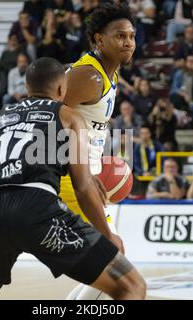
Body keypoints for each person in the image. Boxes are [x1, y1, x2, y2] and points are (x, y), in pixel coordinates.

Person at [0, 57, 146, 300]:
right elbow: (82, 187)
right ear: (62, 89)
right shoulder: (69, 116)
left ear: (27, 87)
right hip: (38, 209)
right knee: (131, 286)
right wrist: (107, 234)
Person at [60, 2, 138, 300]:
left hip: (84, 174)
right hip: (70, 180)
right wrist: (81, 172)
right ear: (98, 39)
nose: (128, 42)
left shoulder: (110, 73)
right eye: (120, 36)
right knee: (115, 262)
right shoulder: (87, 75)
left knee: (109, 265)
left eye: (131, 35)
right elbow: (47, 120)